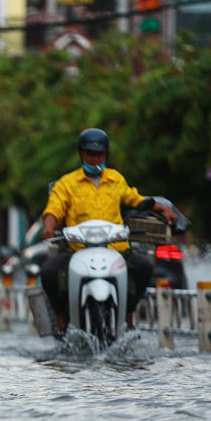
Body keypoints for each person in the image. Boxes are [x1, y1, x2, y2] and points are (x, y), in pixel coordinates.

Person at [40, 128, 178, 331]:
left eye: (100, 154)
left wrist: (162, 208)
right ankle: (61, 316)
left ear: (106, 154)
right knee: (49, 272)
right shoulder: (67, 183)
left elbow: (135, 200)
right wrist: (49, 228)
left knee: (145, 267)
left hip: (116, 249)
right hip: (77, 250)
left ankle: (129, 312)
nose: (95, 159)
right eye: (90, 154)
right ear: (81, 154)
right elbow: (54, 209)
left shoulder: (116, 179)